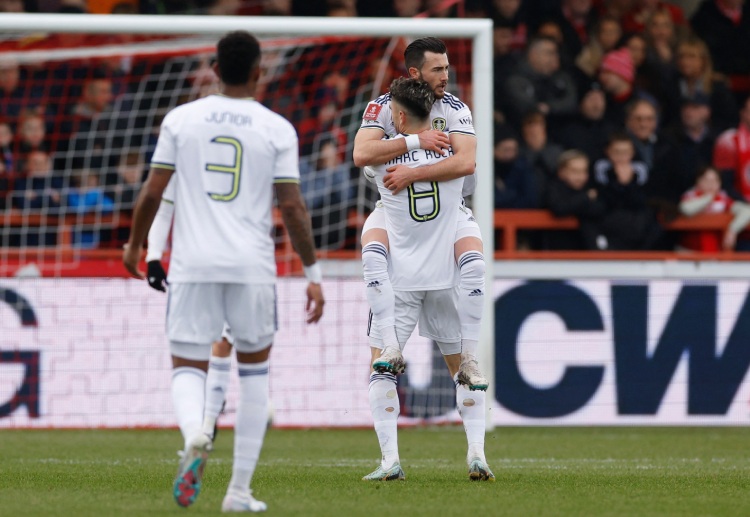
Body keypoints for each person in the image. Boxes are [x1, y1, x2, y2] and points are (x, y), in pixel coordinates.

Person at [122, 31, 325, 513]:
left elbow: (153, 193)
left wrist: (137, 245)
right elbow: (292, 206)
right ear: (260, 71)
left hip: (193, 264)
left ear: (213, 68)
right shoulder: (277, 128)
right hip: (253, 266)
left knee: (186, 366)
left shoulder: (181, 120)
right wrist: (312, 272)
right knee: (255, 375)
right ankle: (238, 492)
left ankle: (196, 433)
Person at [360, 77, 493, 483]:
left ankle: (390, 461)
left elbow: (362, 155)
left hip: (401, 279)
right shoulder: (454, 156)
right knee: (462, 370)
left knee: (381, 369)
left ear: (398, 117)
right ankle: (477, 455)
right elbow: (466, 172)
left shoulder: (381, 162)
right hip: (443, 278)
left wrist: (410, 147)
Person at [352, 37, 488, 393]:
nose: (446, 75)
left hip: (447, 214)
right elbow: (361, 153)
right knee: (373, 255)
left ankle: (475, 439)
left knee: (473, 268)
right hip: (396, 213)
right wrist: (415, 141)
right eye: (437, 69)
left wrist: (412, 172)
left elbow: (466, 163)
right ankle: (388, 445)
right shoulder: (383, 106)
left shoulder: (456, 108)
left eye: (447, 67)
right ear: (415, 72)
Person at [679, 165, 750, 252]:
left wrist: (732, 230)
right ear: (698, 181)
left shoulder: (722, 199)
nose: (711, 184)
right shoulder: (691, 196)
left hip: (715, 253)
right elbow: (685, 209)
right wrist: (708, 198)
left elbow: (747, 211)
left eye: (715, 180)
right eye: (706, 180)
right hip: (689, 252)